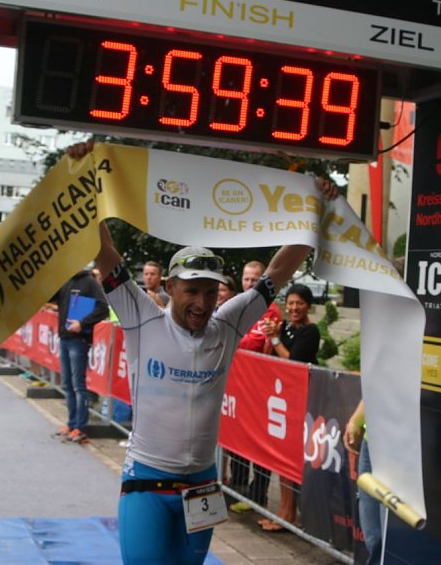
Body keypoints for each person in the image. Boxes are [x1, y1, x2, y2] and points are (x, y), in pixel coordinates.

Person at [72, 139, 338, 565]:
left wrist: (315, 212)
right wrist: (83, 180)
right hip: (147, 485)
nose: (201, 302)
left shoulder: (229, 321)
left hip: (201, 487)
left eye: (210, 292)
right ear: (171, 288)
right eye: (191, 291)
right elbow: (104, 254)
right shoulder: (143, 316)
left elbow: (279, 270)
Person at [257, 283, 320, 532]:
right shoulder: (286, 329)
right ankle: (284, 511)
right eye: (291, 303)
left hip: (301, 400)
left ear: (308, 306)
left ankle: (289, 514)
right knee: (281, 459)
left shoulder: (310, 332)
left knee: (291, 458)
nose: (294, 308)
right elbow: (269, 354)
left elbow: (293, 362)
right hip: (282, 399)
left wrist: (275, 338)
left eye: (300, 304)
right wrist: (271, 335)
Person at [229, 260, 284, 512]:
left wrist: (233, 339)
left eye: (255, 279)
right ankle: (237, 487)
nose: (250, 284)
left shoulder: (269, 310)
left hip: (261, 388)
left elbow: (252, 342)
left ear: (263, 280)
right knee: (237, 437)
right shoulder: (239, 304)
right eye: (247, 279)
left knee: (259, 443)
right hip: (239, 384)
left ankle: (258, 495)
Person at [46, 267, 110, 443]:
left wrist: (82, 323)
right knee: (67, 384)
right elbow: (49, 298)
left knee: (78, 385)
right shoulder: (65, 280)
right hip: (64, 337)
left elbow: (103, 307)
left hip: (79, 340)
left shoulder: (90, 282)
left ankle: (80, 427)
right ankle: (72, 422)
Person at [344, 398, 384, 564]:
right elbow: (374, 388)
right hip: (371, 440)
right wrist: (355, 421)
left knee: (386, 534)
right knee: (373, 534)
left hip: (395, 445)